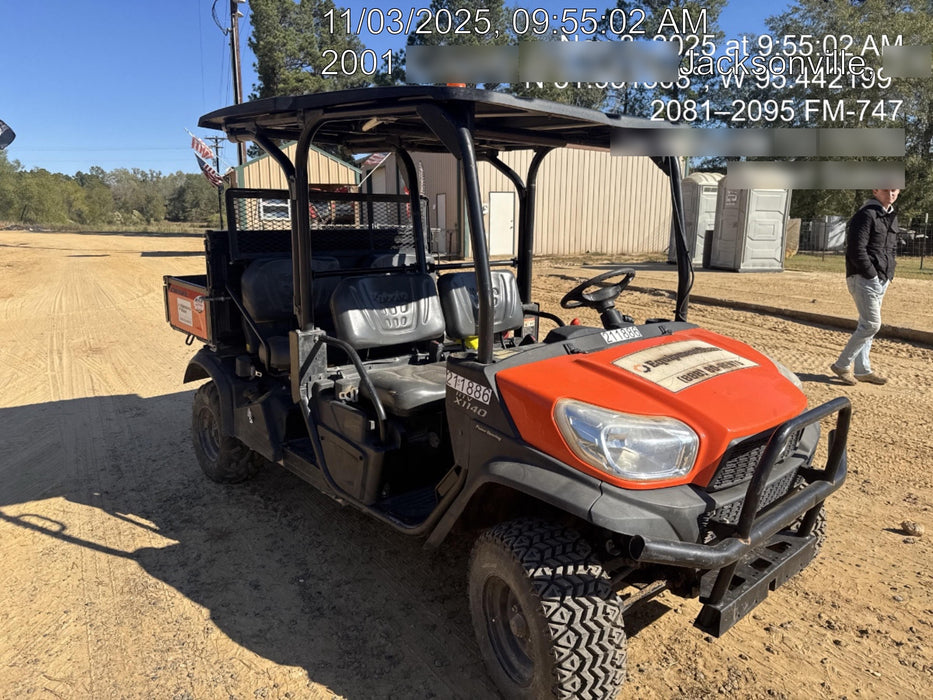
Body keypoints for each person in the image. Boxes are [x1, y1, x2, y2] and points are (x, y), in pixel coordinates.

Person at [830, 188, 900, 385]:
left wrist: (888, 273)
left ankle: (862, 370)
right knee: (871, 324)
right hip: (863, 277)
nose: (891, 193)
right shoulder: (865, 215)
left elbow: (891, 247)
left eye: (895, 190)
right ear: (876, 190)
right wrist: (871, 273)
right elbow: (855, 249)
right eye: (886, 189)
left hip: (882, 278)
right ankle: (842, 365)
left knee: (866, 324)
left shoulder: (891, 216)